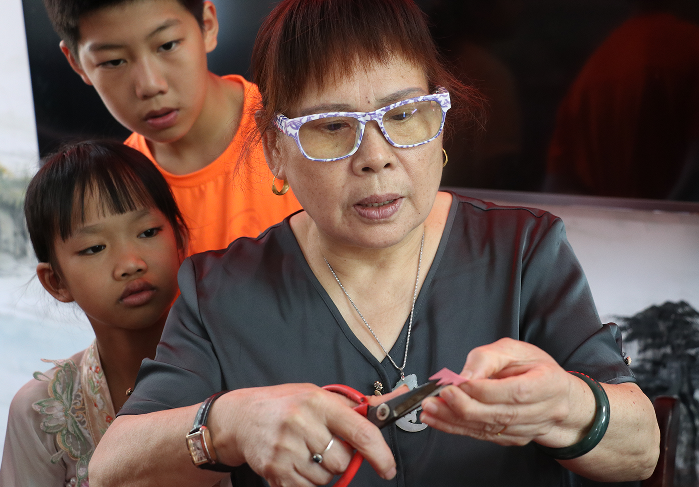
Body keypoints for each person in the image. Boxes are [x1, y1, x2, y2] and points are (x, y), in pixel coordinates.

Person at [89, 1, 660, 486]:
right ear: (276, 150)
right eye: (332, 126)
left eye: (404, 114)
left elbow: (642, 449)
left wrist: (567, 407)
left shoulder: (522, 250)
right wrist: (227, 425)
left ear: (438, 123)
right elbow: (111, 467)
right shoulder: (220, 291)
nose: (376, 157)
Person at [42, 0, 301, 255]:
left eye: (167, 45)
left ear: (207, 25)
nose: (150, 85)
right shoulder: (114, 192)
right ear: (76, 62)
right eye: (113, 61)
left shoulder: (299, 131)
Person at [0, 141, 188, 486]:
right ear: (56, 281)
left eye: (148, 232)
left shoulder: (242, 369)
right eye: (94, 248)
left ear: (180, 241)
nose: (131, 263)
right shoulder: (40, 414)